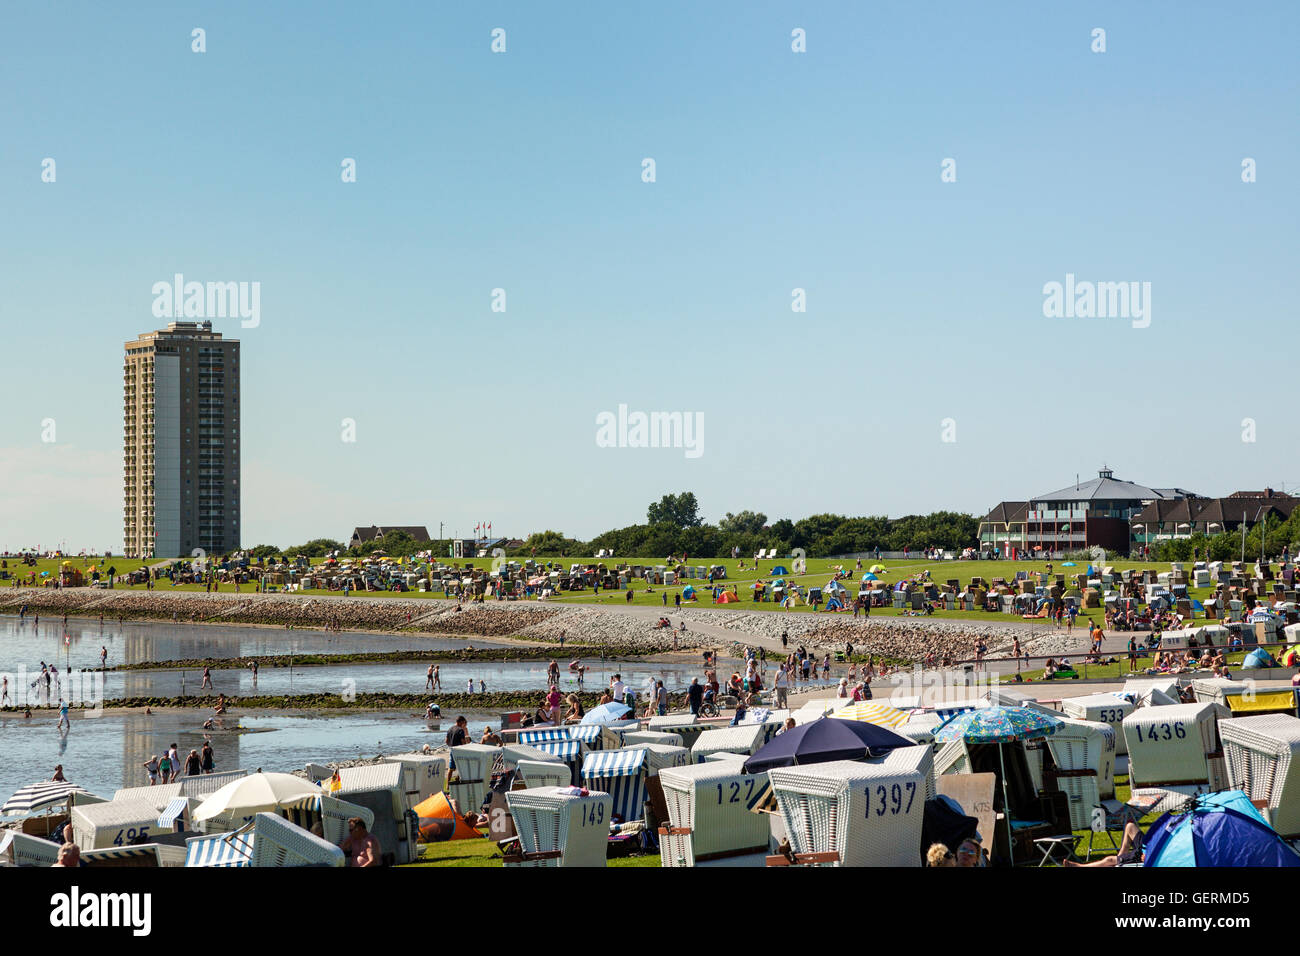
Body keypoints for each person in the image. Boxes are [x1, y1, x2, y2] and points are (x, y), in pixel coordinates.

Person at [1064, 822, 1144, 867]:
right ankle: (1120, 858)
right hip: (1149, 847)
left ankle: (1080, 867)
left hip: (1147, 855)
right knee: (1130, 826)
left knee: (1109, 860)